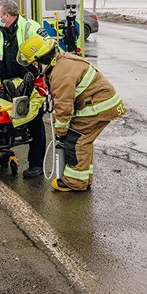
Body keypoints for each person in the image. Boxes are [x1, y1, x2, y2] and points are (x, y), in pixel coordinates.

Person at [18, 35, 126, 192]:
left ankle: (75, 182)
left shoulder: (60, 73)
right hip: (99, 103)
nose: (33, 67)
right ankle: (84, 179)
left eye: (33, 63)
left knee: (75, 140)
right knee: (84, 141)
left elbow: (64, 106)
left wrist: (61, 132)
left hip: (98, 107)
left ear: (41, 59)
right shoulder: (61, 62)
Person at [0, 0, 49, 179]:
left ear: (7, 16)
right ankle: (1, 156)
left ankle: (36, 164)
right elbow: (1, 56)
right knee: (4, 121)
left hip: (30, 85)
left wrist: (40, 74)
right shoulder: (3, 31)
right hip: (9, 84)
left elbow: (49, 50)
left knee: (35, 124)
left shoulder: (30, 28)